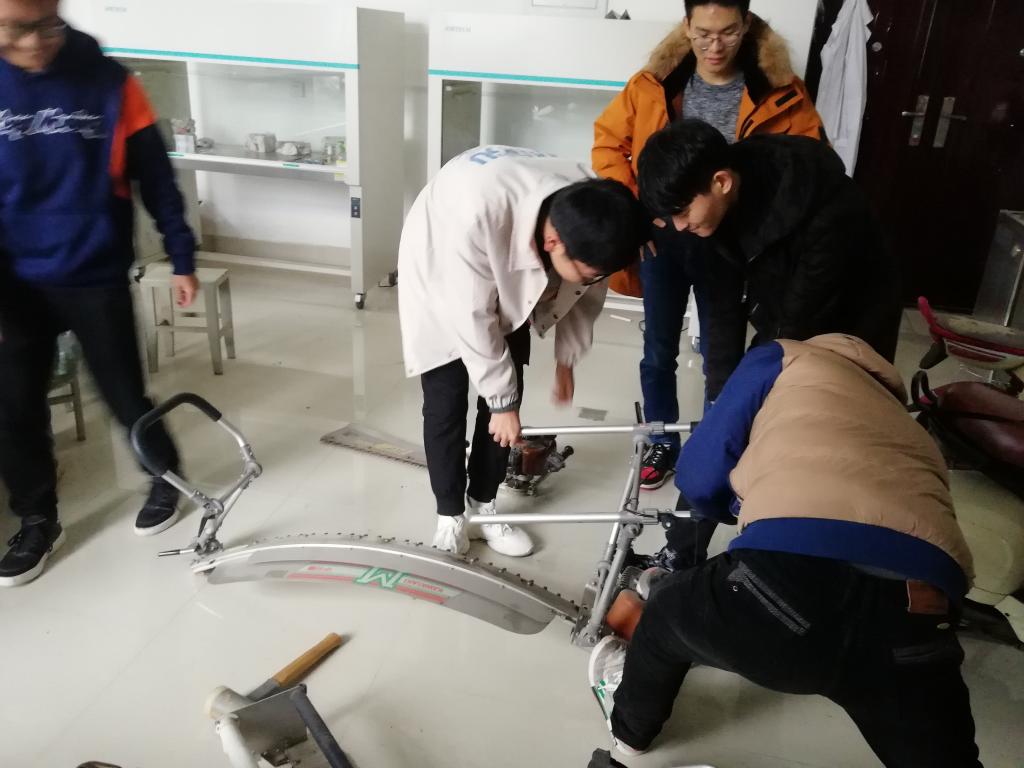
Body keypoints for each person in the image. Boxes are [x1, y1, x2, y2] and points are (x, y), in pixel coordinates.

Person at [589, 334, 981, 768]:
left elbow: (698, 477)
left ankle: (629, 733)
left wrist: (739, 508)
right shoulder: (903, 420)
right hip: (920, 608)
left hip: (787, 585)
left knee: (665, 613)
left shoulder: (785, 356)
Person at [635, 118, 902, 571]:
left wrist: (754, 397)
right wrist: (723, 397)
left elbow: (799, 321)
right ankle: (680, 552)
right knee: (726, 423)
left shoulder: (825, 204)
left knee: (812, 432)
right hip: (781, 309)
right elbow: (721, 309)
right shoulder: (707, 219)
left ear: (721, 182)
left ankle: (806, 564)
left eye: (682, 212)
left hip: (853, 322)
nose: (679, 226)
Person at [0, 0, 198, 586]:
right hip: (12, 279)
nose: (34, 42)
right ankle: (37, 519)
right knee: (14, 406)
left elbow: (156, 176)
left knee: (122, 391)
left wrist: (181, 256)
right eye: (16, 29)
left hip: (94, 268)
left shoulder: (111, 83)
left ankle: (165, 476)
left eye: (47, 25)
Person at [592, 0, 825, 491]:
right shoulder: (654, 84)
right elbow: (608, 143)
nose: (714, 46)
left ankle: (713, 444)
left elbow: (807, 163)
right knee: (658, 347)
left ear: (747, 25)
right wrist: (641, 209)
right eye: (702, 34)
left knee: (723, 353)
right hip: (662, 240)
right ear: (686, 26)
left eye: (728, 33)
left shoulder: (780, 92)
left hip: (730, 244)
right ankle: (661, 438)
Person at [399, 146, 647, 558]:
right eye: (590, 271)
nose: (594, 277)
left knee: (510, 382)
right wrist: (501, 402)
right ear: (552, 241)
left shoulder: (595, 213)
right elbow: (471, 315)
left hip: (509, 236)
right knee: (447, 398)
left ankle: (483, 505)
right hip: (443, 253)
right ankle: (450, 515)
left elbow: (584, 290)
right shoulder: (475, 215)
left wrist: (566, 360)